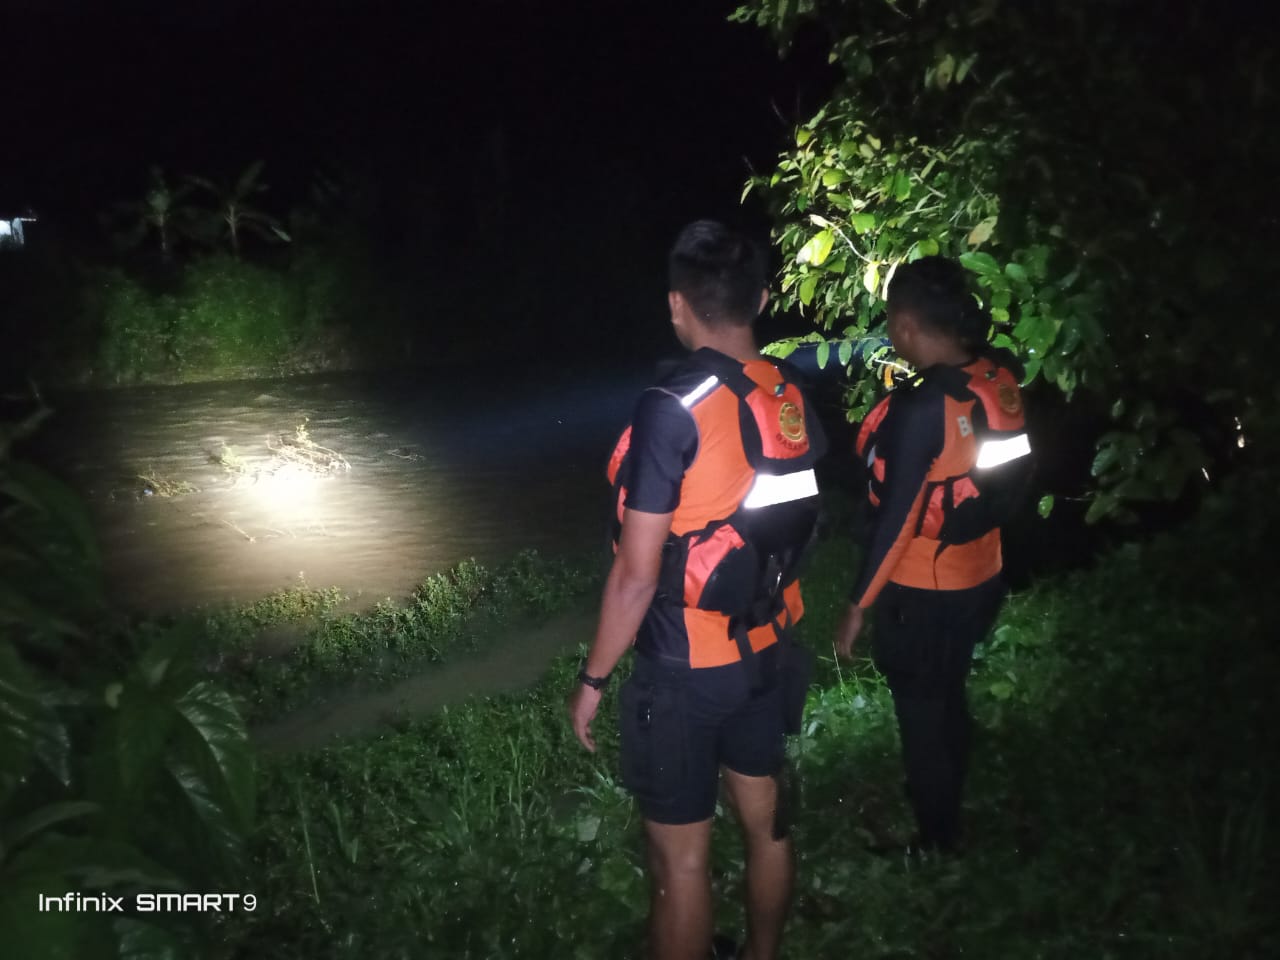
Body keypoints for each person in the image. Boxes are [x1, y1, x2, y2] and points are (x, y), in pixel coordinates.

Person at [569, 220, 825, 960]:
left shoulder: (672, 407)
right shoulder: (789, 394)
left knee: (679, 863)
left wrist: (593, 678)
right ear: (765, 298)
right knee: (766, 825)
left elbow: (636, 571)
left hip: (687, 671)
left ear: (678, 304)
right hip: (768, 651)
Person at [835, 255, 1032, 855]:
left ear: (906, 326)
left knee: (922, 712)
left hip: (927, 591)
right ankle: (944, 795)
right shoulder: (997, 378)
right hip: (984, 574)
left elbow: (896, 525)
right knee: (948, 691)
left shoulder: (924, 409)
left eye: (894, 323)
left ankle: (936, 841)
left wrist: (856, 606)